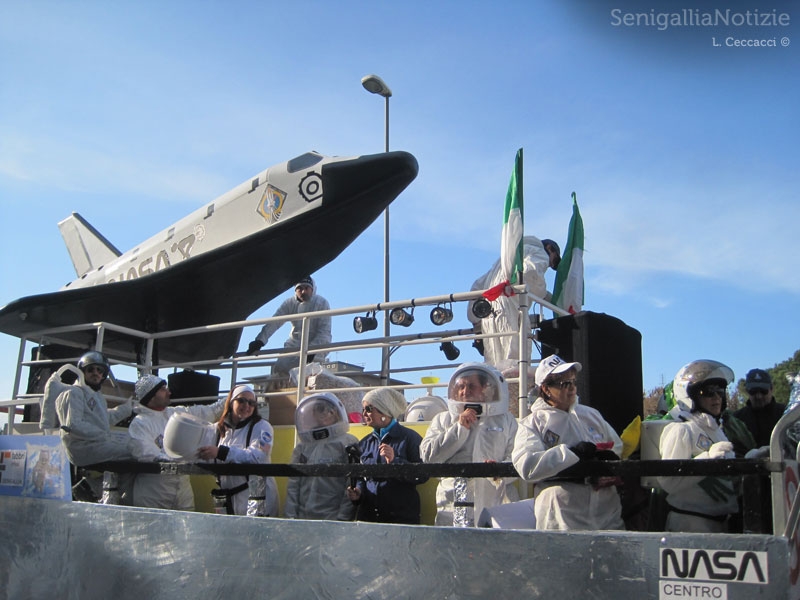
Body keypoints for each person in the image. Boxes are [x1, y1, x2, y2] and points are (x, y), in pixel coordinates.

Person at [512, 354, 625, 531]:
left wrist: (607, 460)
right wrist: (572, 453)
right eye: (564, 384)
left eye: (573, 382)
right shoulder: (533, 423)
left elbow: (616, 446)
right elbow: (527, 465)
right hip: (561, 517)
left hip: (605, 512)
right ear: (546, 389)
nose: (572, 388)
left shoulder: (591, 415)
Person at [420, 363, 519, 527]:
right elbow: (428, 456)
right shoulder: (443, 419)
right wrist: (459, 429)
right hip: (452, 504)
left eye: (472, 386)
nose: (465, 391)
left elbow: (516, 456)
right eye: (461, 386)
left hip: (495, 501)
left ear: (484, 389)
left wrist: (498, 472)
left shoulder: (506, 420)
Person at [658, 359, 739, 533]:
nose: (716, 397)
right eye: (708, 392)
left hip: (722, 524)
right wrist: (707, 459)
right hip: (690, 524)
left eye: (720, 391)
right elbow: (668, 482)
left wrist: (751, 461)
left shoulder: (717, 430)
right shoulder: (681, 430)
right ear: (690, 396)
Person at [127, 374, 226, 510]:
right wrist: (176, 460)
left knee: (185, 528)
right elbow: (143, 451)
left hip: (182, 492)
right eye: (163, 389)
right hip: (154, 494)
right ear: (150, 395)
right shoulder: (140, 424)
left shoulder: (175, 414)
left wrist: (234, 396)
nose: (169, 392)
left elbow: (208, 411)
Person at [467, 236, 560, 367]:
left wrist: (475, 319)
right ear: (549, 248)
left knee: (493, 363)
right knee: (515, 362)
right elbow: (531, 274)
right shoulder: (538, 252)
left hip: (490, 314)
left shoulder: (504, 259)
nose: (550, 265)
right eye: (554, 260)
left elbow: (477, 285)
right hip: (512, 309)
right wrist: (545, 296)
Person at [346, 388, 428, 524]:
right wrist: (358, 492)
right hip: (369, 517)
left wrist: (395, 461)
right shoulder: (365, 442)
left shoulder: (409, 438)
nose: (364, 414)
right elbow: (361, 477)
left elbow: (423, 475)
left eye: (369, 409)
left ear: (384, 411)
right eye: (363, 409)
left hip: (401, 519)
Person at [197, 385, 279, 517]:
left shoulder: (263, 427)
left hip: (256, 496)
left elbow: (259, 456)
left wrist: (222, 453)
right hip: (226, 497)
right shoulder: (217, 430)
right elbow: (198, 449)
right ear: (230, 403)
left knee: (256, 535)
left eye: (251, 403)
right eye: (241, 400)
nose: (247, 405)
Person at [284, 392, 359, 520]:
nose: (325, 413)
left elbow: (351, 484)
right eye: (318, 409)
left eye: (327, 409)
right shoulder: (303, 447)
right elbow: (293, 484)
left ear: (336, 411)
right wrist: (290, 517)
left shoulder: (348, 443)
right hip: (302, 519)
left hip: (332, 520)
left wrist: (342, 519)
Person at [54, 351, 134, 467]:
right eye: (90, 369)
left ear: (103, 374)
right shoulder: (74, 393)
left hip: (96, 445)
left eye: (99, 370)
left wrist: (128, 409)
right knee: (135, 452)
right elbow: (73, 425)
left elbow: (103, 419)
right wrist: (103, 434)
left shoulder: (95, 395)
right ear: (82, 372)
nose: (95, 373)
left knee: (136, 448)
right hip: (83, 449)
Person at [246, 276, 332, 374]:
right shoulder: (289, 303)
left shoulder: (322, 303)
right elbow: (275, 322)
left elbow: (324, 332)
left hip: (317, 346)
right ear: (295, 290)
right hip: (294, 344)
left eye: (306, 288)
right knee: (279, 369)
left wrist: (312, 350)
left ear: (313, 289)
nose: (303, 291)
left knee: (310, 374)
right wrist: (260, 340)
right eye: (300, 288)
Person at [734, 368, 786, 448]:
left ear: (771, 389)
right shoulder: (737, 419)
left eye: (763, 391)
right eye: (753, 391)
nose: (759, 396)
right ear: (747, 391)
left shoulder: (785, 414)